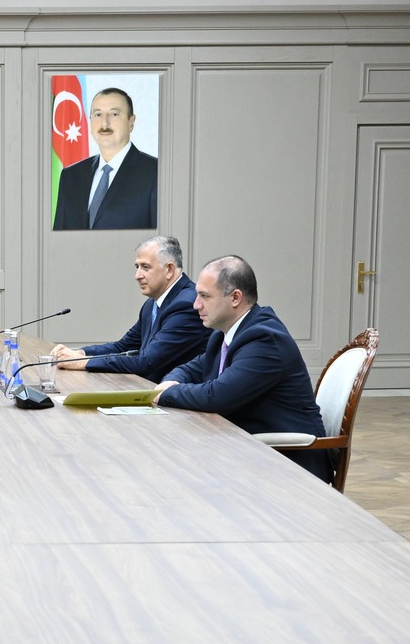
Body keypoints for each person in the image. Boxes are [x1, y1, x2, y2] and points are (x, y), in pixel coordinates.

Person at [153, 255, 332, 484]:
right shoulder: (225, 334)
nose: (196, 304)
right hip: (249, 450)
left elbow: (218, 396)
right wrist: (170, 382)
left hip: (290, 463)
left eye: (205, 296)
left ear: (235, 298)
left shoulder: (264, 339)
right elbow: (191, 368)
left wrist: (167, 393)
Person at [49, 235, 209, 382]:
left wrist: (83, 362)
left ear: (169, 270)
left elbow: (146, 361)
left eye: (145, 267)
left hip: (176, 399)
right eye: (137, 267)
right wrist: (80, 353)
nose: (137, 275)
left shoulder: (186, 305)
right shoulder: (153, 303)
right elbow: (124, 346)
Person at [52, 86, 158, 231]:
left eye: (114, 114)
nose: (104, 123)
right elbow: (58, 238)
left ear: (131, 122)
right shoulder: (70, 175)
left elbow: (162, 241)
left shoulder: (155, 172)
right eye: (98, 114)